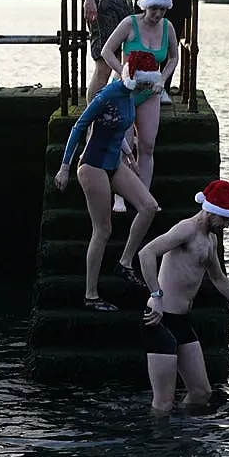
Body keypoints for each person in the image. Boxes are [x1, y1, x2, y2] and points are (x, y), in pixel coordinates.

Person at [138, 180, 229, 414]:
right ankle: (158, 446)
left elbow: (219, 279)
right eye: (225, 219)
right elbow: (147, 253)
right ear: (212, 210)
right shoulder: (186, 229)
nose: (227, 225)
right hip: (159, 320)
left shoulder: (210, 239)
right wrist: (155, 295)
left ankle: (184, 439)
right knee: (163, 403)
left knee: (201, 392)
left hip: (182, 322)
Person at [53, 51, 162, 312]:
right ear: (135, 78)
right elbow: (79, 126)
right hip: (92, 165)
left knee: (149, 207)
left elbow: (116, 129)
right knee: (103, 230)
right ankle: (91, 295)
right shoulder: (109, 94)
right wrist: (64, 167)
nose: (149, 87)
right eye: (146, 82)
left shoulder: (130, 96)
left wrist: (130, 157)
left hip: (114, 163)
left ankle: (124, 263)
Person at [101, 0, 178, 212]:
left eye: (162, 9)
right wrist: (122, 73)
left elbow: (173, 57)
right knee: (122, 144)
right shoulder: (129, 23)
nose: (158, 14)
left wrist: (162, 79)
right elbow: (106, 51)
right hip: (125, 91)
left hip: (150, 92)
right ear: (145, 5)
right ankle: (119, 198)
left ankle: (143, 197)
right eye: (154, 9)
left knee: (147, 146)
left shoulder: (168, 27)